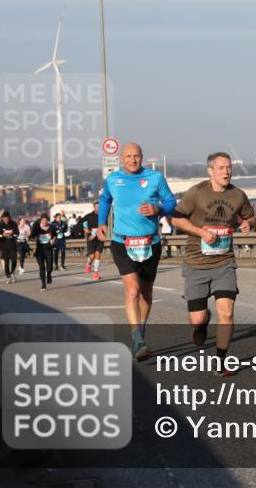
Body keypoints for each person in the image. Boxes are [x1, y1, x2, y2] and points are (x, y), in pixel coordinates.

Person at [171, 152, 255, 377]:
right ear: (210, 171)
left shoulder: (238, 195)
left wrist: (248, 223)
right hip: (196, 262)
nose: (226, 171)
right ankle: (201, 323)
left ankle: (220, 362)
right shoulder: (197, 193)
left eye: (229, 167)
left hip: (224, 262)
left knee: (226, 313)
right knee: (197, 318)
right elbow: (176, 218)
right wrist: (201, 232)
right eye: (221, 168)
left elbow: (251, 216)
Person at [98, 142, 177, 362]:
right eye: (129, 156)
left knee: (146, 292)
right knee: (132, 289)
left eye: (137, 156)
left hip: (150, 242)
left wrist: (158, 209)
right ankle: (137, 340)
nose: (133, 160)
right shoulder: (114, 179)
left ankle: (140, 330)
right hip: (122, 242)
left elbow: (171, 202)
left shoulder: (155, 178)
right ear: (122, 159)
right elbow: (105, 199)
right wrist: (101, 222)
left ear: (142, 157)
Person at [29, 214, 56, 290]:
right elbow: (31, 237)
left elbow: (55, 235)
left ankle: (49, 274)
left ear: (48, 220)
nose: (44, 222)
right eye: (43, 220)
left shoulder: (51, 227)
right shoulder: (37, 227)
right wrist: (33, 238)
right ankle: (43, 284)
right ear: (41, 221)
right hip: (39, 250)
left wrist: (54, 239)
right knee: (42, 267)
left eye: (46, 220)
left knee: (50, 266)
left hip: (48, 249)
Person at [82, 201, 104, 280]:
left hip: (100, 238)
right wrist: (85, 229)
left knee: (98, 255)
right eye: (96, 207)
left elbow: (104, 226)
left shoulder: (103, 216)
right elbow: (82, 221)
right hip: (91, 239)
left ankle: (96, 273)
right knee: (92, 256)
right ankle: (88, 264)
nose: (98, 208)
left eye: (99, 207)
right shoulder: (89, 216)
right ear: (94, 207)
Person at [0, 211, 19, 284]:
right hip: (4, 246)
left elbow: (17, 233)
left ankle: (12, 272)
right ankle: (8, 276)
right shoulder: (0, 225)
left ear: (9, 218)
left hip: (12, 245)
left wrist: (13, 235)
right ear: (2, 218)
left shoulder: (13, 224)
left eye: (7, 219)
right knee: (6, 262)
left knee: (14, 260)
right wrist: (3, 235)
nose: (6, 220)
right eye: (4, 219)